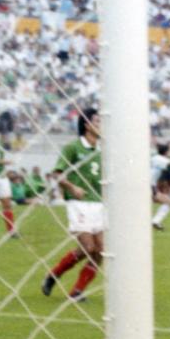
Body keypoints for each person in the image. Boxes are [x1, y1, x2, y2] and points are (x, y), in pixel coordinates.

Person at [41, 107, 103, 302]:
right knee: (87, 247)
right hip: (79, 203)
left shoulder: (102, 150)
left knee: (101, 250)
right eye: (98, 121)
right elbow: (57, 174)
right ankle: (54, 274)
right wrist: (72, 187)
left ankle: (77, 291)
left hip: (99, 204)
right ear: (87, 124)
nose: (101, 125)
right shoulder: (73, 148)